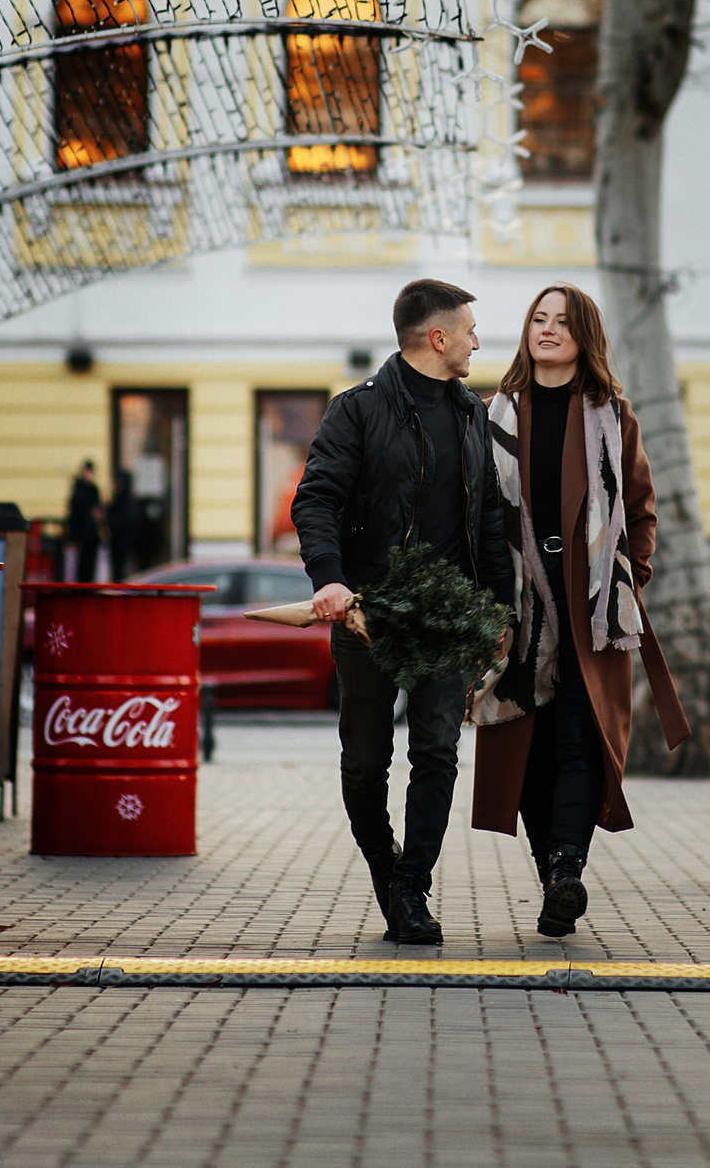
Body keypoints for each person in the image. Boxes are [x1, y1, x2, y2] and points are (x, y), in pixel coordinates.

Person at [292, 278, 512, 946]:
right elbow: (316, 500)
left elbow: (492, 519)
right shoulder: (356, 410)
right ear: (437, 337)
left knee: (438, 751)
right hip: (367, 612)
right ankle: (388, 871)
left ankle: (412, 886)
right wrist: (329, 580)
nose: (478, 339)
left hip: (445, 618)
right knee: (364, 761)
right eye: (469, 328)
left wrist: (498, 611)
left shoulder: (473, 413)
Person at [472, 283, 689, 938]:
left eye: (562, 322)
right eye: (538, 319)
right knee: (525, 747)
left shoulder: (611, 414)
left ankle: (568, 866)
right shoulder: (496, 413)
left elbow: (643, 508)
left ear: (583, 335)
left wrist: (629, 575)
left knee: (579, 735)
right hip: (516, 606)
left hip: (590, 604)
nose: (546, 330)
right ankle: (555, 880)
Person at [66, 459, 104, 583]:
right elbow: (74, 514)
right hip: (82, 534)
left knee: (90, 565)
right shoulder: (79, 490)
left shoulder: (93, 490)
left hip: (91, 535)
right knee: (80, 566)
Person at [105, 468, 144, 580]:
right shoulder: (118, 499)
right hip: (118, 544)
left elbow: (129, 520)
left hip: (125, 546)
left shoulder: (128, 502)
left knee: (123, 574)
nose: (115, 486)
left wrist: (111, 521)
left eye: (117, 483)